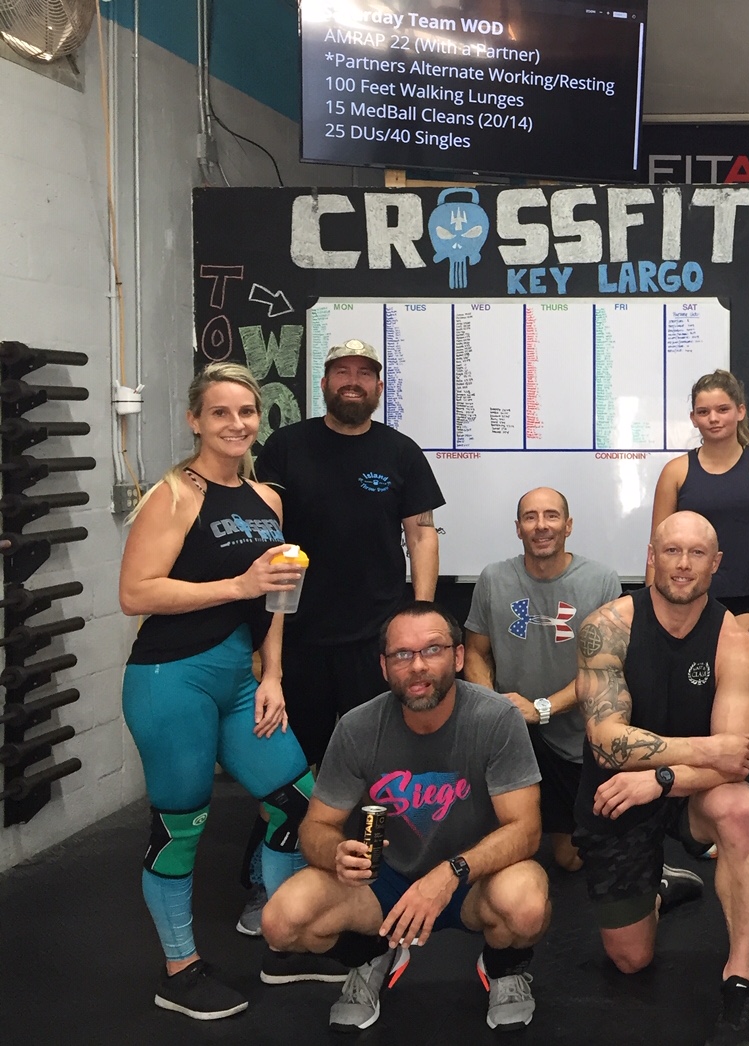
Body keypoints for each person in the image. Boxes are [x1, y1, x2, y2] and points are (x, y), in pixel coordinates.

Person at [117, 363, 314, 1020]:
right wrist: (237, 587)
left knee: (296, 802)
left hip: (240, 680)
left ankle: (285, 942)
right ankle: (180, 971)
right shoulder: (174, 494)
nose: (236, 424)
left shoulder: (267, 500)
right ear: (195, 420)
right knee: (181, 828)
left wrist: (273, 676)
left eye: (246, 412)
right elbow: (135, 593)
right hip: (171, 679)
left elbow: (279, 597)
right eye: (221, 412)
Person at [260, 602, 549, 1033]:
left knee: (525, 906)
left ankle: (503, 968)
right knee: (281, 922)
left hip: (472, 879)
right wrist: (336, 852)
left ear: (458, 656)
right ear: (383, 666)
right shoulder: (357, 727)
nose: (417, 666)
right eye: (402, 655)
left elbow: (526, 830)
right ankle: (372, 955)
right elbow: (315, 827)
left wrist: (451, 872)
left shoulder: (496, 718)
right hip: (384, 885)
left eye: (432, 650)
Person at [573, 511, 749, 1046]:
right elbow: (607, 743)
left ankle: (741, 977)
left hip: (678, 789)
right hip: (617, 792)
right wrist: (703, 749)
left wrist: (658, 779)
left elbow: (737, 761)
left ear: (716, 563)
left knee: (740, 808)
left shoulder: (733, 640)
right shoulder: (606, 627)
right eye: (672, 551)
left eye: (697, 553)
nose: (683, 564)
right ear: (651, 557)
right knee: (630, 960)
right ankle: (658, 888)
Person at [256, 339, 445, 767]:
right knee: (297, 759)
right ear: (324, 383)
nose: (352, 382)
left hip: (376, 637)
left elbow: (422, 536)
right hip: (299, 634)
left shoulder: (401, 451)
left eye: (364, 374)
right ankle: (305, 814)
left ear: (379, 388)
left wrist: (422, 617)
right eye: (342, 372)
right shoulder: (286, 446)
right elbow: (265, 534)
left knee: (382, 757)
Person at [649, 370, 749, 868]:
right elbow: (658, 548)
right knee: (691, 715)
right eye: (703, 411)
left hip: (748, 610)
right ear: (693, 417)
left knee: (748, 723)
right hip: (686, 609)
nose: (713, 418)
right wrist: (652, 609)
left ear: (740, 412)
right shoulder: (676, 472)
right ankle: (695, 820)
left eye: (722, 409)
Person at [464, 487, 622, 873]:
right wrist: (495, 709)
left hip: (573, 736)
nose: (541, 526)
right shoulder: (493, 578)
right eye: (530, 517)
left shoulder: (601, 581)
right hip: (511, 733)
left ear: (568, 525)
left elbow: (604, 670)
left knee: (570, 859)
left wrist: (542, 709)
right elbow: (475, 653)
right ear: (518, 528)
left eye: (551, 516)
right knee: (508, 850)